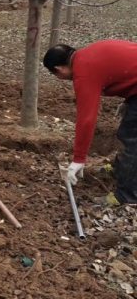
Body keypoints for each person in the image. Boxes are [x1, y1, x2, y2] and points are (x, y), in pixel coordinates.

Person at [43, 40, 137, 205]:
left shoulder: (83, 72)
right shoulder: (88, 54)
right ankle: (120, 169)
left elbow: (86, 119)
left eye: (55, 75)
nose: (60, 78)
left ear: (59, 69)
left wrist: (78, 159)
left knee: (132, 139)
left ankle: (126, 196)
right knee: (127, 130)